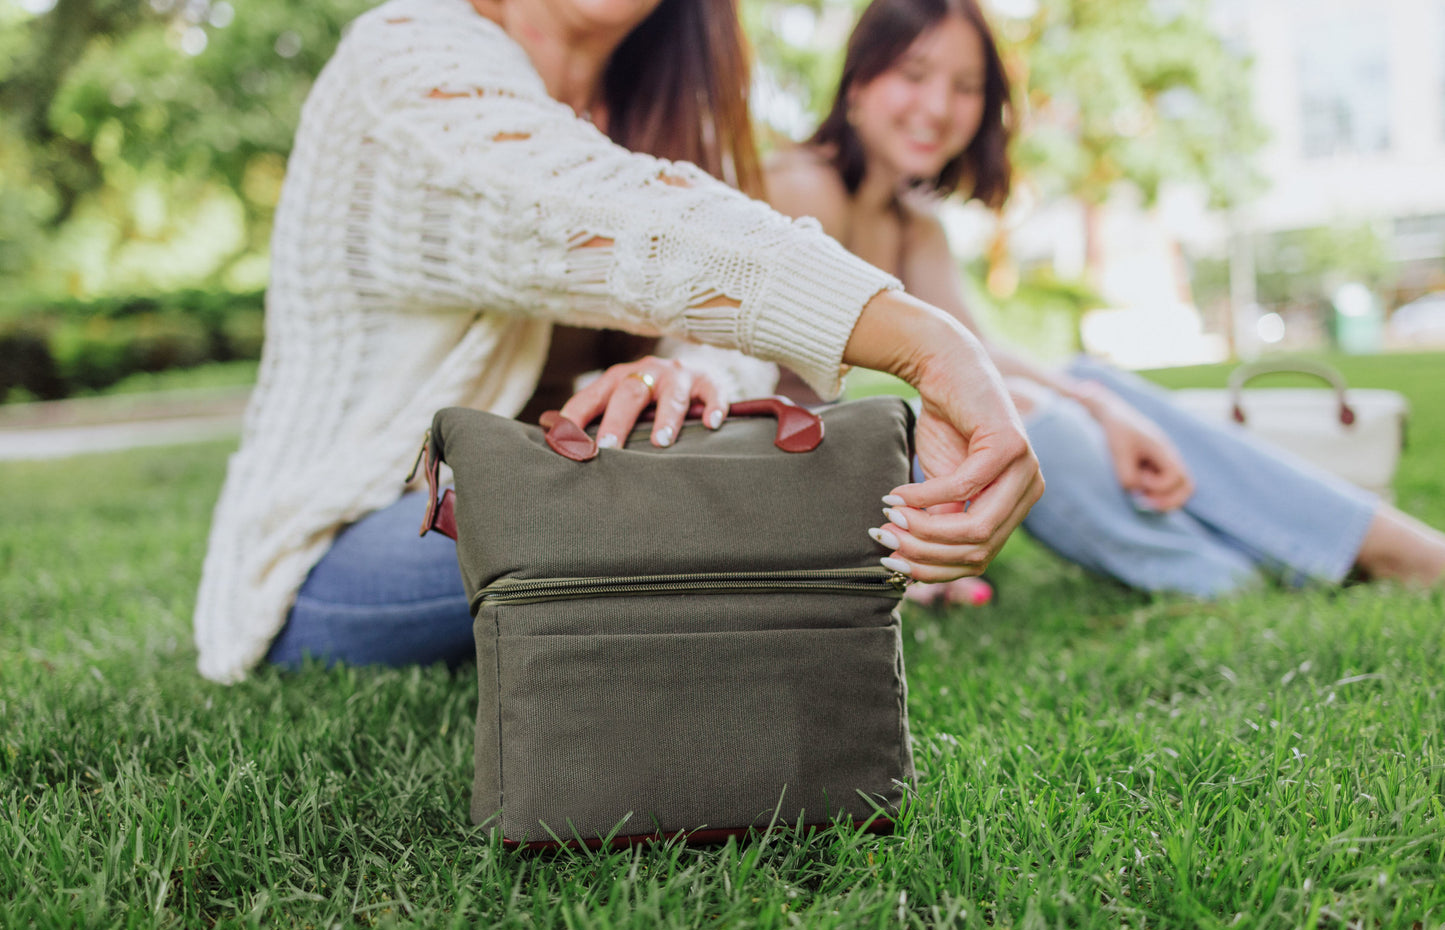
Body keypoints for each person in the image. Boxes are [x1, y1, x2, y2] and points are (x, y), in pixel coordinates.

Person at [193, 0, 1045, 683]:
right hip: (346, 549)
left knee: (705, 469)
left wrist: (685, 370)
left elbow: (723, 336)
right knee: (704, 493)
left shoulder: (665, 105)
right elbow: (606, 219)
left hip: (581, 484)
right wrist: (932, 345)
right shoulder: (406, 57)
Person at [764, 0, 1445, 605]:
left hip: (856, 457)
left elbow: (975, 355)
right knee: (1034, 424)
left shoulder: (914, 221)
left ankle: (1375, 546)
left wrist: (1105, 407)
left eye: (965, 86)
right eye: (912, 74)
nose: (938, 107)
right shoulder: (801, 187)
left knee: (1087, 383)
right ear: (857, 83)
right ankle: (1230, 582)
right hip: (785, 473)